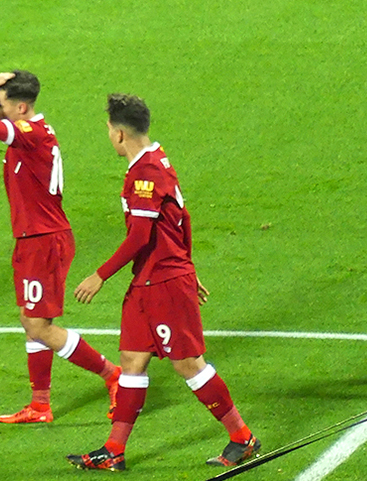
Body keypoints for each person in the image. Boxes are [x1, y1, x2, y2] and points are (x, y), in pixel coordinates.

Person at [66, 94, 260, 471]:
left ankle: (242, 436)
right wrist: (188, 263)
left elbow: (139, 237)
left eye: (108, 130)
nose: (108, 136)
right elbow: (182, 217)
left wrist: (100, 275)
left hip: (163, 282)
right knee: (132, 360)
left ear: (119, 134)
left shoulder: (145, 173)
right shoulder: (157, 159)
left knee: (188, 364)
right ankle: (114, 450)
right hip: (150, 279)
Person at [0, 71, 121, 423]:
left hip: (44, 240)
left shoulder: (30, 133)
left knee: (39, 324)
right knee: (31, 319)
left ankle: (113, 374)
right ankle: (40, 405)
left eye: (1, 104)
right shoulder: (32, 132)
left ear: (21, 107)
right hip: (34, 238)